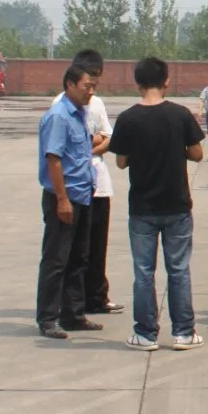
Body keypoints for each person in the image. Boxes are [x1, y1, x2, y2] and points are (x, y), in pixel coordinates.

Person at [108, 55, 208, 350]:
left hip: (142, 208)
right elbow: (198, 154)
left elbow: (122, 161)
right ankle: (184, 333)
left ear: (137, 83)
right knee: (178, 270)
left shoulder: (128, 118)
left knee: (143, 273)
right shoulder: (180, 115)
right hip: (177, 205)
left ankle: (145, 334)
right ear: (166, 81)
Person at [35, 64, 100, 340]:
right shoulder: (59, 117)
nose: (91, 91)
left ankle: (73, 314)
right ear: (70, 84)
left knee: (79, 258)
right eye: (87, 86)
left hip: (83, 195)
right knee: (56, 260)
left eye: (93, 86)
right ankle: (48, 318)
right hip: (64, 198)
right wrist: (62, 200)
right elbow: (54, 159)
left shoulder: (80, 114)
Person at [68, 51, 122, 315]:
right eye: (90, 80)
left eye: (96, 81)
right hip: (76, 187)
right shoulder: (62, 105)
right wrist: (91, 143)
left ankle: (98, 297)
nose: (93, 87)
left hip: (99, 184)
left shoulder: (97, 104)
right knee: (78, 250)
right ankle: (73, 302)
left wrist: (90, 148)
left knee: (98, 246)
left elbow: (109, 138)